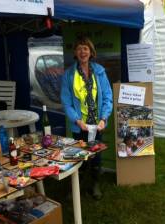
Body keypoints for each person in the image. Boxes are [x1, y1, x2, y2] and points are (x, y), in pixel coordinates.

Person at [61, 36, 113, 200]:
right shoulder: (69, 75)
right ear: (75, 53)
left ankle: (95, 185)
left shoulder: (99, 72)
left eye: (85, 48)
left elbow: (107, 97)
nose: (82, 52)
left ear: (91, 52)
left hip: (97, 125)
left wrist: (104, 118)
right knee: (79, 156)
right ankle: (76, 187)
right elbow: (66, 102)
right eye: (79, 48)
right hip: (80, 125)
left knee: (96, 157)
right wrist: (77, 120)